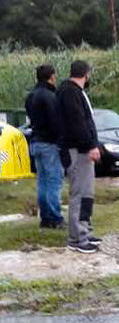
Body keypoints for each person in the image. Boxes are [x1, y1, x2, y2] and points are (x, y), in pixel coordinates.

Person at [57, 61, 102, 254]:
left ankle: (84, 231)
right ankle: (77, 238)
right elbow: (78, 122)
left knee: (87, 194)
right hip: (77, 150)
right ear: (86, 73)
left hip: (79, 148)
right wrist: (90, 145)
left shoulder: (73, 91)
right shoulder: (70, 92)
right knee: (80, 194)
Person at [24, 64, 65, 229]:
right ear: (52, 76)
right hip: (49, 143)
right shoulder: (50, 96)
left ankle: (45, 217)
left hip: (35, 141)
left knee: (42, 181)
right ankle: (55, 218)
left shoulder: (31, 96)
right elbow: (55, 121)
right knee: (54, 180)